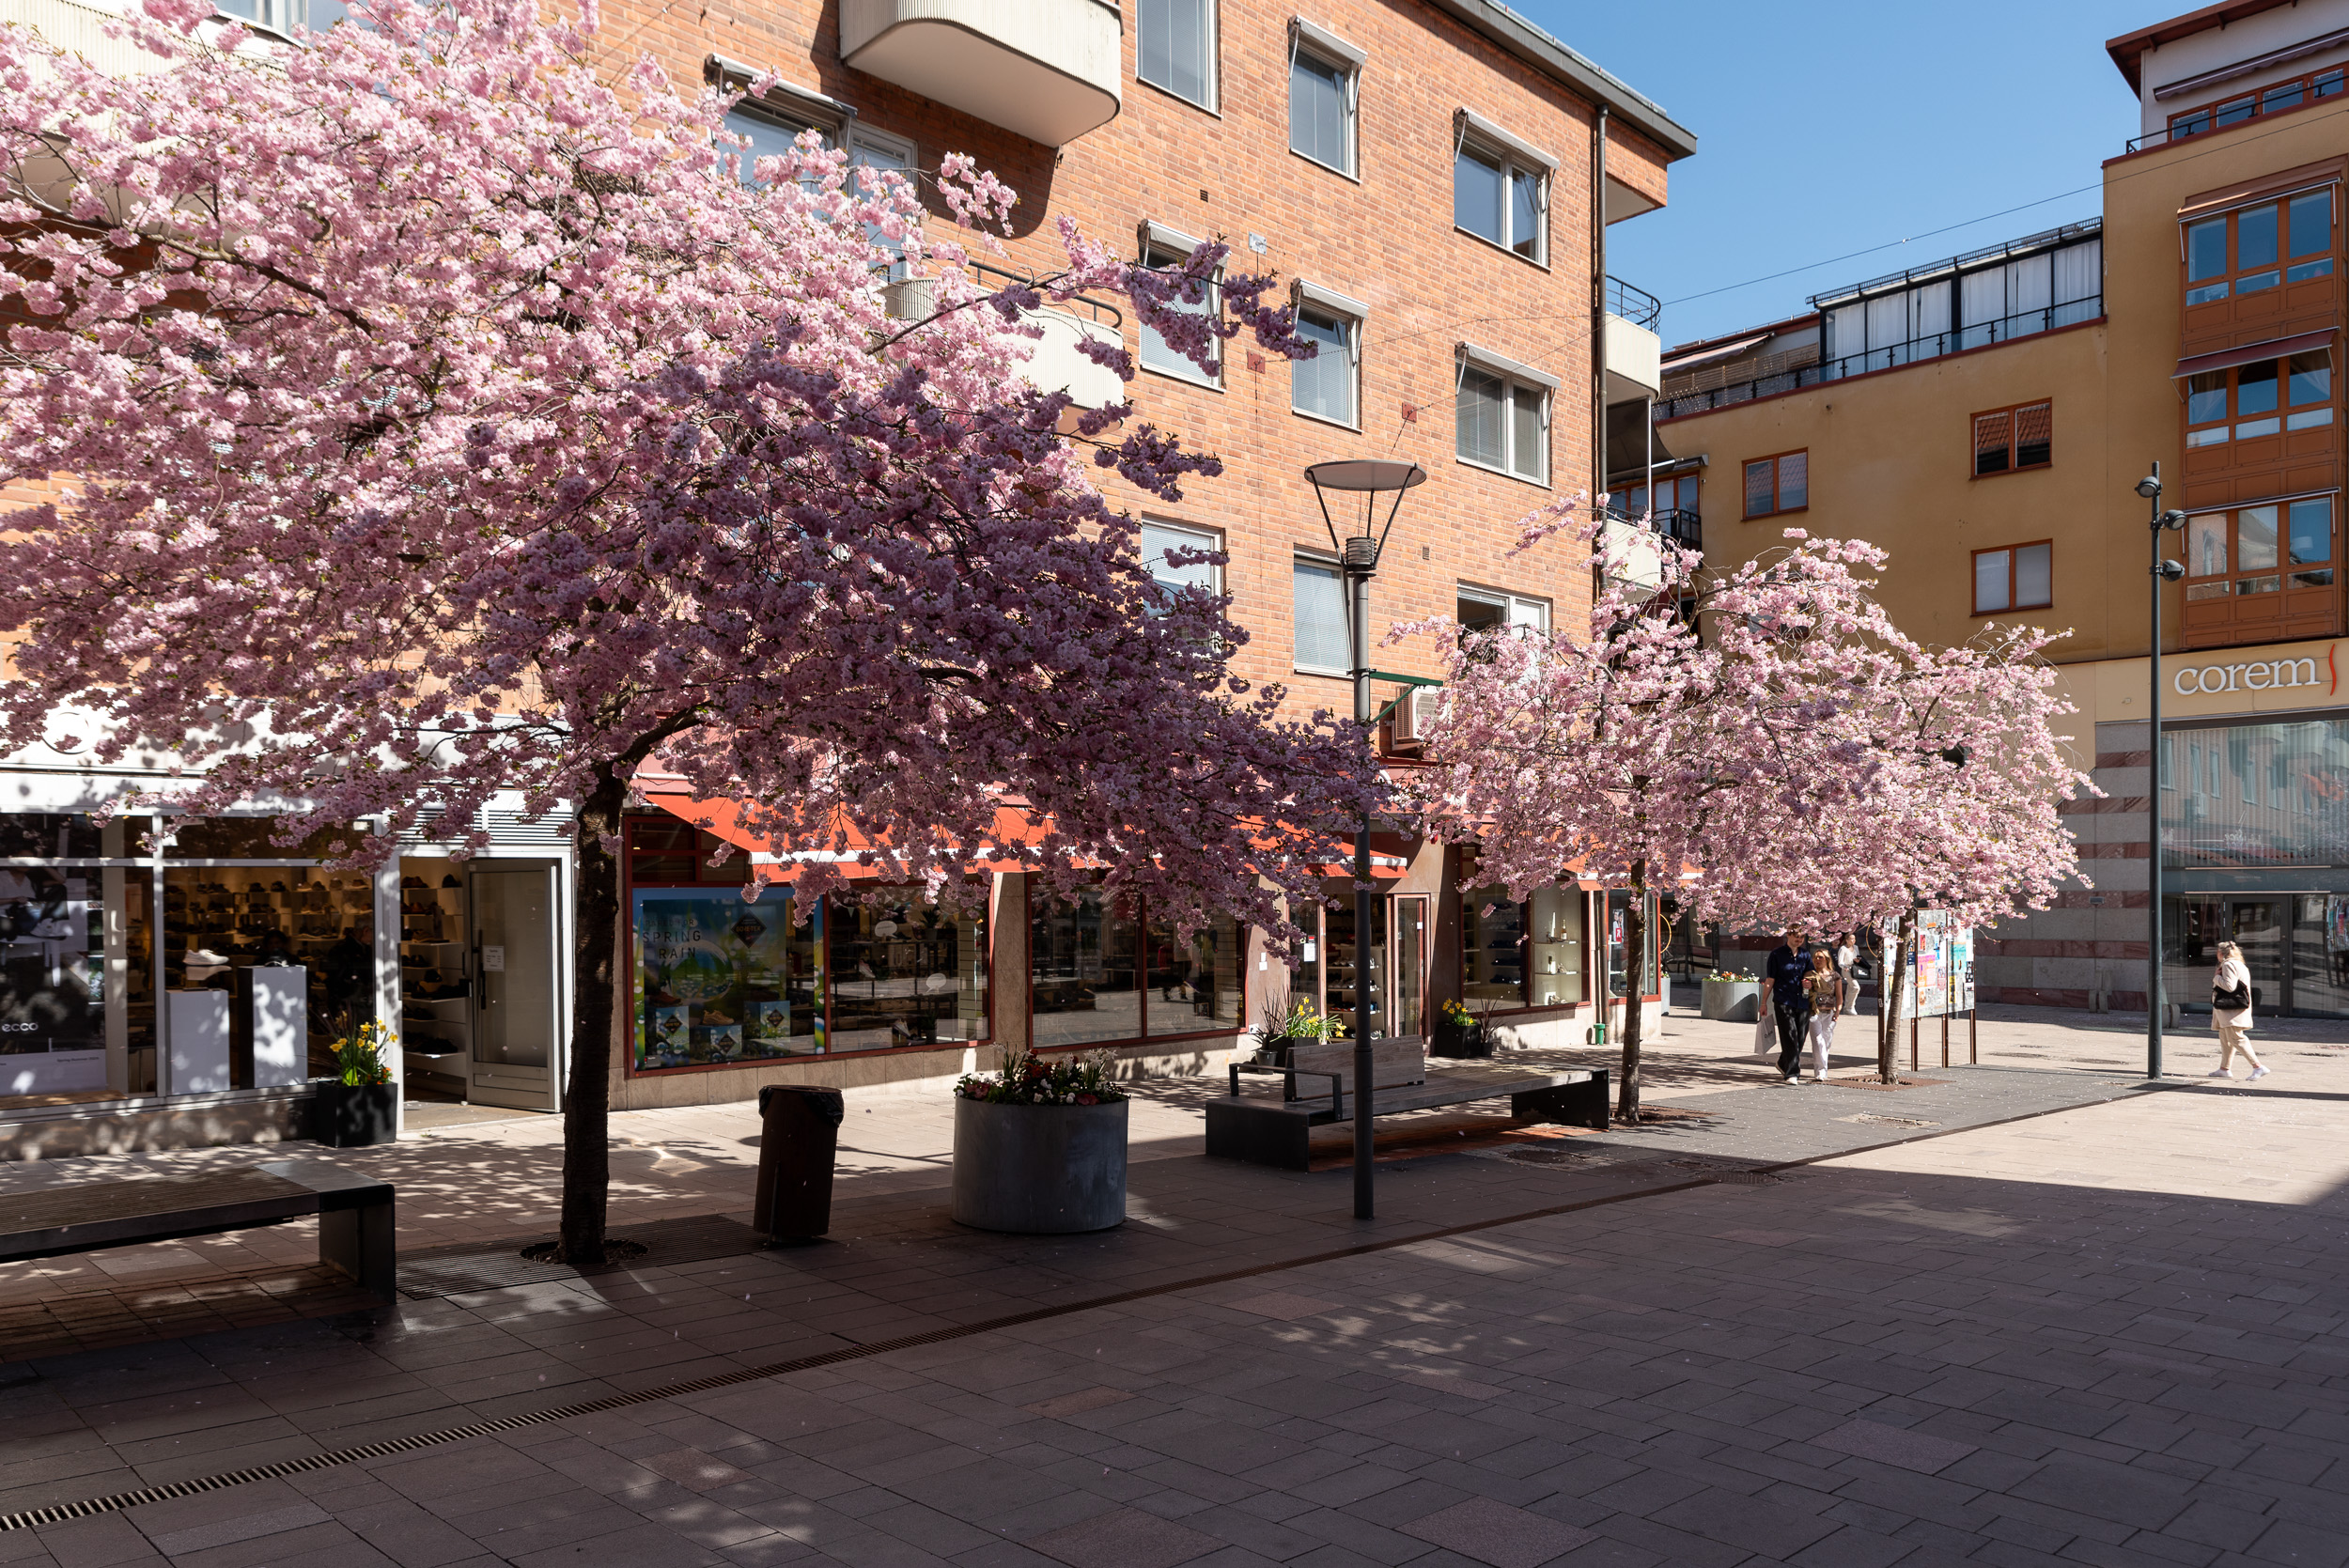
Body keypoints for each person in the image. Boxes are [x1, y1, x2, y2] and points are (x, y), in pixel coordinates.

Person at [2209, 940, 2269, 1080]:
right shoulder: (2240, 964)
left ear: (2221, 953)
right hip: (2232, 1010)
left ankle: (2258, 1066)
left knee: (2236, 1038)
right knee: (2226, 1038)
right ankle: (2224, 1068)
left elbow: (2229, 986)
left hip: (2231, 1010)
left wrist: (2216, 977)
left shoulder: (2229, 965)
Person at [1762, 927, 1812, 1085]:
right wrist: (1764, 1002)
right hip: (1783, 1000)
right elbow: (1770, 980)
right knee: (1789, 1036)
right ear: (1788, 935)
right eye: (1797, 936)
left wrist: (1809, 981)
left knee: (1801, 1036)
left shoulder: (1805, 954)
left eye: (1802, 937)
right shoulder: (1777, 954)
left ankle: (1783, 1062)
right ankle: (1792, 1073)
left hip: (1803, 1000)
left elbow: (1810, 973)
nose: (1799, 940)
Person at [1803, 949, 1843, 1081]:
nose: (1817, 960)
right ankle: (1821, 1071)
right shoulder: (1809, 974)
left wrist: (1837, 1011)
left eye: (1820, 957)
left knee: (1826, 1042)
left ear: (1827, 959)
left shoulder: (1835, 975)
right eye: (1815, 957)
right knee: (1818, 1041)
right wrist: (1805, 986)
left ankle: (1821, 1069)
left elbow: (1839, 996)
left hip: (1829, 1012)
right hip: (1814, 1012)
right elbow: (1804, 992)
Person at [1834, 931, 1860, 1015]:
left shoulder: (1856, 947)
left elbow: (1858, 957)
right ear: (1846, 940)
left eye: (1854, 939)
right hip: (1846, 970)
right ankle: (1850, 1006)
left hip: (1854, 970)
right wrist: (1844, 966)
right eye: (1851, 939)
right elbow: (1840, 961)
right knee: (1856, 987)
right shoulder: (1843, 949)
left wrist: (1858, 961)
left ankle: (1847, 1008)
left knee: (1851, 987)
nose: (1853, 941)